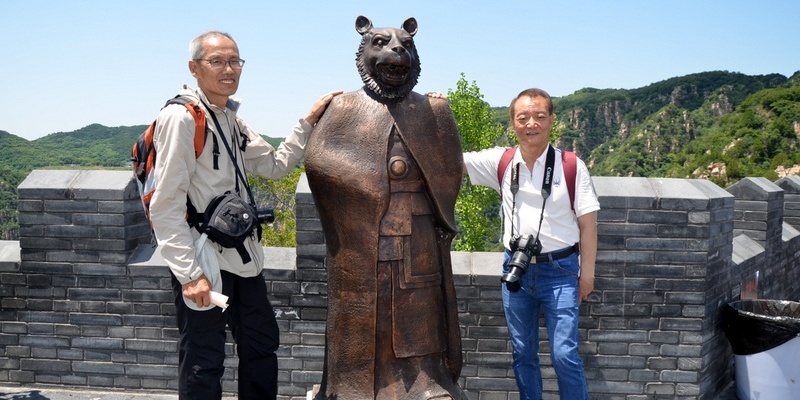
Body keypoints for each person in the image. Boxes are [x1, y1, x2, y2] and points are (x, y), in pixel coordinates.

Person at [147, 30, 340, 400]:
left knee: (261, 344)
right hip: (202, 259)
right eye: (217, 61)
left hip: (241, 257)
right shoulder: (182, 118)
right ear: (194, 67)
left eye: (235, 61)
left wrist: (309, 120)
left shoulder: (230, 117)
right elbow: (165, 204)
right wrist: (190, 276)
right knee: (205, 359)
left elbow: (274, 165)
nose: (229, 69)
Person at [462, 88, 599, 400]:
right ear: (513, 123)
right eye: (522, 118)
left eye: (539, 116)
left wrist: (586, 275)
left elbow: (588, 226)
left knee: (565, 354)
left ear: (552, 120)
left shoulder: (571, 166)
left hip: (561, 271)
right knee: (523, 354)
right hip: (516, 270)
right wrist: (434, 111)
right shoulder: (502, 161)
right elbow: (448, 161)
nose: (531, 124)